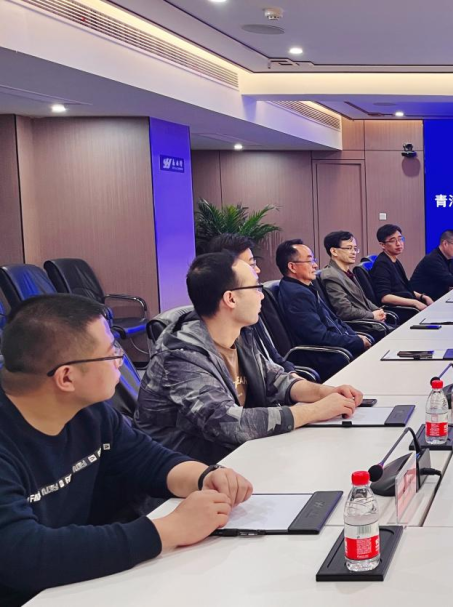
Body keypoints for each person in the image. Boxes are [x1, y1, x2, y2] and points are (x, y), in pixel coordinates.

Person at [0, 295, 254, 604]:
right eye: (111, 353)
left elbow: (147, 460)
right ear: (66, 377)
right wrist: (168, 530)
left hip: (78, 584)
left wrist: (205, 477)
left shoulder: (90, 412)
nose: (120, 359)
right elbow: (21, 554)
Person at [137, 252, 363, 463]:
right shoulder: (179, 355)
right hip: (192, 472)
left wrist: (325, 393)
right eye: (256, 287)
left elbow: (274, 379)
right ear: (231, 299)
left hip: (241, 455)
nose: (262, 295)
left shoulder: (239, 333)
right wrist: (315, 411)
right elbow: (225, 422)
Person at [206, 233, 300, 374]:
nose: (258, 270)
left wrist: (293, 378)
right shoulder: (207, 343)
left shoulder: (248, 313)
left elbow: (273, 362)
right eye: (252, 264)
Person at [275, 239, 372, 363]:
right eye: (310, 261)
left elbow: (334, 320)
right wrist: (355, 341)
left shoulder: (304, 287)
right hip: (324, 355)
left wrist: (355, 337)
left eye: (313, 260)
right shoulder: (298, 295)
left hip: (335, 346)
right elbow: (318, 336)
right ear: (292, 267)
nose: (315, 265)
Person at [321, 230, 392, 339]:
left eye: (355, 248)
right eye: (349, 248)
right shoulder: (331, 275)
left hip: (372, 324)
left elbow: (363, 300)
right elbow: (345, 311)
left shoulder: (346, 272)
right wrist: (372, 315)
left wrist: (378, 310)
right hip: (362, 329)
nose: (353, 252)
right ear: (334, 251)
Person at [370, 224, 431, 321]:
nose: (398, 243)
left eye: (400, 239)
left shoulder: (394, 260)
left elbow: (404, 287)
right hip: (400, 311)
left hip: (408, 307)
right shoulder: (382, 264)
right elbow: (385, 297)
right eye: (392, 241)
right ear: (382, 245)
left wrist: (422, 297)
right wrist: (415, 303)